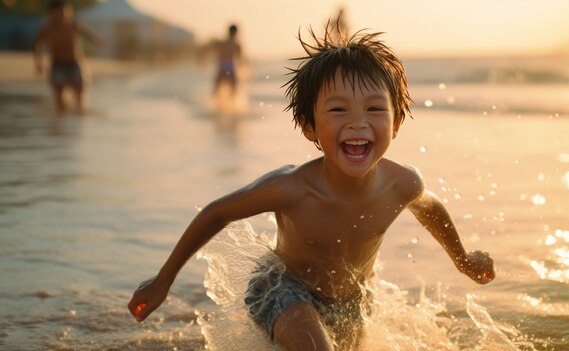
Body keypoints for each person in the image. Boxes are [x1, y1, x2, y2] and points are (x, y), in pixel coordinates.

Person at [128, 22, 495, 351]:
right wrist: (163, 280)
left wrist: (462, 258)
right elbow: (217, 212)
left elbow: (428, 206)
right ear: (309, 127)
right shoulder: (291, 188)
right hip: (281, 288)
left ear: (396, 123)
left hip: (354, 298)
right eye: (338, 110)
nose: (357, 123)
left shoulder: (402, 183)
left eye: (374, 109)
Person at [34, 0, 103, 114]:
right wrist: (38, 63)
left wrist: (95, 40)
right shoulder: (47, 29)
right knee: (59, 94)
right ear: (51, 14)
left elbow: (87, 34)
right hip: (57, 64)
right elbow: (38, 44)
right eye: (59, 13)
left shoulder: (74, 25)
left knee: (79, 92)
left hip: (74, 63)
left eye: (65, 13)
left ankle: (78, 116)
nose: (62, 16)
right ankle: (62, 117)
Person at [198, 24, 243, 97]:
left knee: (217, 88)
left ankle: (217, 103)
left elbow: (207, 48)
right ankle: (232, 103)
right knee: (233, 88)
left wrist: (202, 58)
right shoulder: (237, 45)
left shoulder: (222, 43)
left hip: (222, 67)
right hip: (230, 68)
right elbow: (241, 60)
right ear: (236, 33)